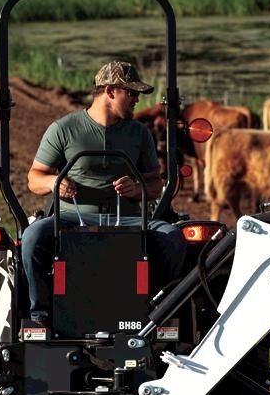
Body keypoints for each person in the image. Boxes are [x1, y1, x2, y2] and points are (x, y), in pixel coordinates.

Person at [21, 60, 186, 323]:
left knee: (173, 238)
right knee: (32, 237)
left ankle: (157, 309)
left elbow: (155, 183)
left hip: (128, 219)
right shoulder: (64, 129)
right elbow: (34, 178)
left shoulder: (139, 133)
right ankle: (40, 315)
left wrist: (137, 188)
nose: (136, 101)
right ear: (110, 91)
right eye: (130, 93)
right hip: (72, 218)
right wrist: (54, 183)